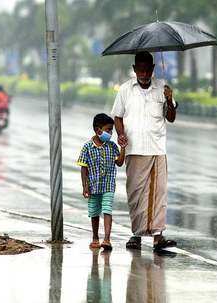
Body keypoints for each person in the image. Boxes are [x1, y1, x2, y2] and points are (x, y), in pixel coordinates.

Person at [110, 51, 178, 251]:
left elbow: (171, 117)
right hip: (133, 149)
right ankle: (136, 235)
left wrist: (170, 99)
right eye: (140, 69)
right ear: (134, 69)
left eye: (147, 69)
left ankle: (158, 237)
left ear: (153, 69)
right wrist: (121, 134)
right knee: (136, 193)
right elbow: (117, 117)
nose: (144, 73)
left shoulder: (162, 89)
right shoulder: (125, 90)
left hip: (156, 148)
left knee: (158, 194)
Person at [77, 113, 126, 251]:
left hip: (108, 185)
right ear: (98, 131)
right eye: (109, 130)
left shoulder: (112, 146)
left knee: (107, 210)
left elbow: (120, 162)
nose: (111, 133)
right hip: (93, 186)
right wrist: (85, 186)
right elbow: (83, 168)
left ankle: (107, 239)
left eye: (111, 130)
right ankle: (95, 237)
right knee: (94, 212)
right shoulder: (87, 147)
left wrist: (123, 148)